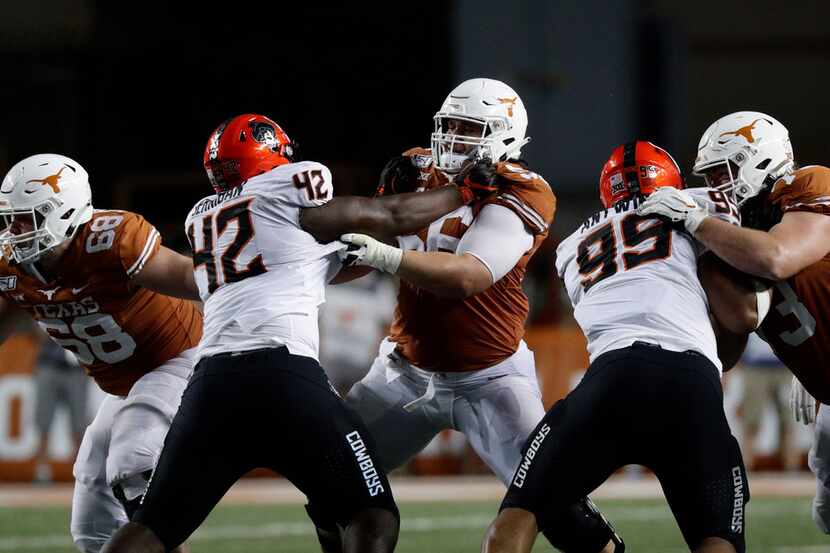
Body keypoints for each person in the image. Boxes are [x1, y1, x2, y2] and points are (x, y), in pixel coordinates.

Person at [99, 112, 490, 553]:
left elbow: (336, 259)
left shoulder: (202, 220)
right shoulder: (289, 188)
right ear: (271, 154)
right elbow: (388, 215)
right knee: (371, 515)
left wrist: (386, 214)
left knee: (153, 528)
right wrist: (463, 191)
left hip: (210, 387)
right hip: (282, 376)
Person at [329, 78, 624, 553]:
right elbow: (364, 252)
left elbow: (467, 275)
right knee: (333, 481)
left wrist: (386, 256)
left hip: (491, 380)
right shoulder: (416, 167)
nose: (453, 139)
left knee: (563, 513)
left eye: (469, 128)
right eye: (449, 125)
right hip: (404, 372)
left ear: (504, 136)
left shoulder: (523, 190)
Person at [481, 141, 763, 553]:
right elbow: (739, 290)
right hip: (689, 379)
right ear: (670, 184)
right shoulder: (702, 201)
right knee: (717, 537)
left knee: (517, 516)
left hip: (610, 379)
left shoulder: (570, 247)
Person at [637, 110, 830, 534]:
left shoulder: (808, 183)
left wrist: (696, 221)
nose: (715, 187)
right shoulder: (734, 233)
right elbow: (731, 344)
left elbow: (777, 258)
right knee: (827, 515)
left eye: (723, 171)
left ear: (759, 159)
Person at [0, 153, 202, 553]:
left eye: (28, 218)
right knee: (93, 516)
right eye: (10, 219)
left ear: (65, 210)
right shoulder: (12, 267)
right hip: (129, 384)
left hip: (181, 357)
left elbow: (191, 278)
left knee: (134, 456)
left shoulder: (111, 242)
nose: (15, 230)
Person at [737, 333, 800, 471]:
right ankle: (745, 469)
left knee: (788, 421)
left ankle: (792, 470)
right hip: (755, 364)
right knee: (751, 420)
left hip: (784, 365)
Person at [32, 336, 88, 483]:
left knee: (79, 423)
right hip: (49, 363)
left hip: (77, 368)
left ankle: (80, 471)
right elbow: (35, 328)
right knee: (43, 420)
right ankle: (41, 469)